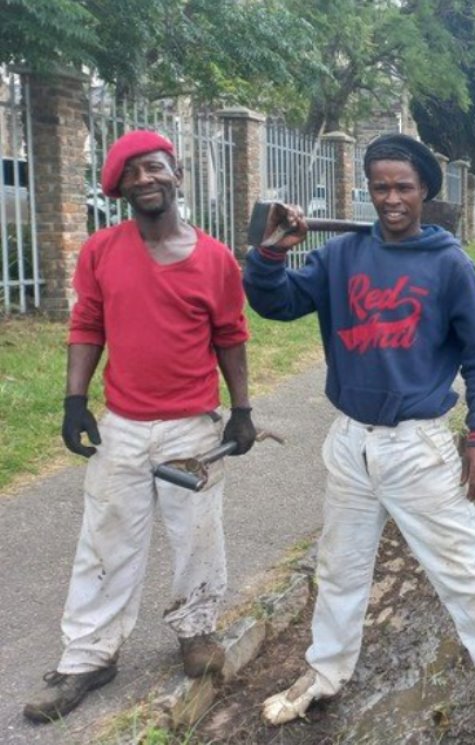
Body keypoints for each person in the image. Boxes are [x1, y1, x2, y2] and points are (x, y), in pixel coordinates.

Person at [242, 133, 475, 745]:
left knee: (470, 578)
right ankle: (324, 673)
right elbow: (276, 305)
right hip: (350, 443)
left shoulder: (448, 263)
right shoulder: (341, 257)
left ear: (424, 193)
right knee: (339, 568)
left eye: (403, 187)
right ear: (367, 190)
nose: (391, 198)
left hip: (418, 448)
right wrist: (271, 254)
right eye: (380, 186)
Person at [23, 131, 257, 723]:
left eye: (154, 169)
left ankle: (196, 633)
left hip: (193, 428)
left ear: (175, 174)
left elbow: (230, 336)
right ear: (122, 189)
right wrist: (75, 402)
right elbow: (87, 324)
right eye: (133, 175)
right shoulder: (101, 250)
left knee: (197, 535)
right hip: (122, 425)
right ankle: (89, 655)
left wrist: (243, 409)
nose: (145, 180)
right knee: (105, 541)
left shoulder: (215, 259)